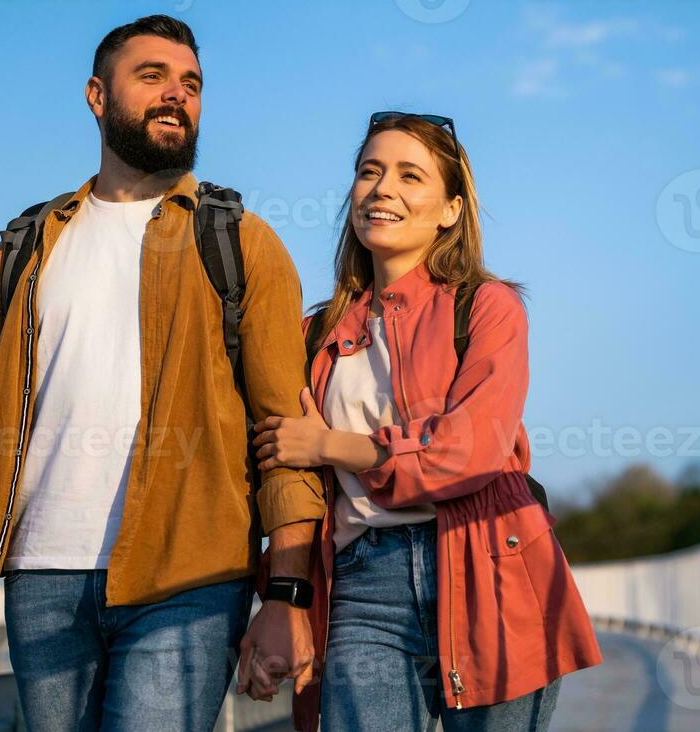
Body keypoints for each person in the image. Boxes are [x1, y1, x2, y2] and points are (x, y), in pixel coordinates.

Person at [0, 14, 325, 731]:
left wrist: (287, 594)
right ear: (98, 96)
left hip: (190, 575)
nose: (175, 95)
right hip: (41, 576)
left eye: (190, 83)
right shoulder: (25, 247)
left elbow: (287, 436)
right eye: (151, 76)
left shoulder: (239, 241)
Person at [251, 111, 602, 732]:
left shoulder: (488, 307)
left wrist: (333, 445)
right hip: (362, 588)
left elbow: (471, 450)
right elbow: (289, 476)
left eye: (410, 176)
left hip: (490, 572)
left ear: (450, 210)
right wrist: (284, 601)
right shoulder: (314, 338)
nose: (382, 188)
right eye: (369, 172)